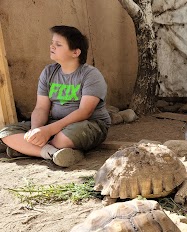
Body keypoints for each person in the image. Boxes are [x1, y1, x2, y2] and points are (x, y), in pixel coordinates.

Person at [0, 25, 111, 167]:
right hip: (54, 124)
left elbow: (85, 112)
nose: (52, 46)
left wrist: (48, 131)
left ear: (75, 52)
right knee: (6, 133)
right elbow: (41, 108)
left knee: (63, 138)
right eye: (52, 43)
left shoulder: (91, 75)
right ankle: (52, 153)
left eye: (58, 44)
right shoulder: (48, 72)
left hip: (89, 125)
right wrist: (36, 130)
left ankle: (27, 149)